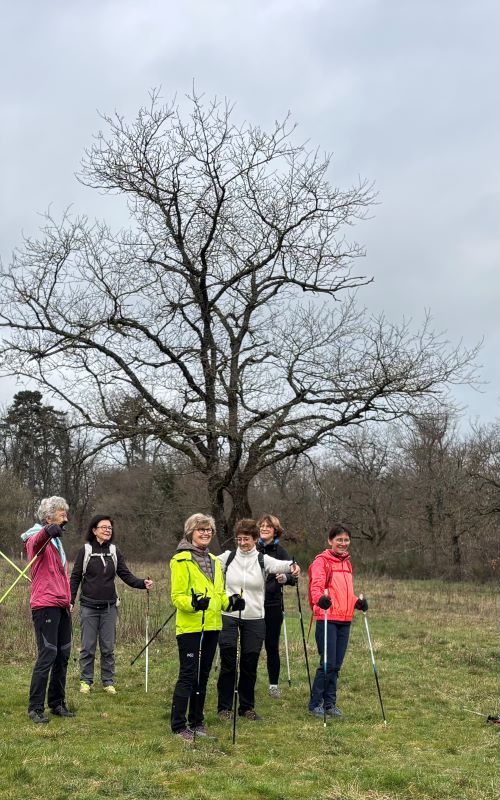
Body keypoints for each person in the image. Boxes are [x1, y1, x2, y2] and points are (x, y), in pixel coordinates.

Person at [217, 518, 300, 721]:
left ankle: (246, 707)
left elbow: (284, 565)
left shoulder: (263, 560)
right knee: (228, 662)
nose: (242, 543)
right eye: (239, 539)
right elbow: (205, 563)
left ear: (255, 539)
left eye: (246, 539)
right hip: (228, 615)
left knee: (249, 663)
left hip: (255, 618)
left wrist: (293, 567)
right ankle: (224, 708)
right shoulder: (227, 558)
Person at [169, 513, 243, 742]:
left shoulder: (213, 560)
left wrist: (231, 601)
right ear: (191, 532)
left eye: (208, 530)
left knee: (203, 675)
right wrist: (193, 604)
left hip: (212, 625)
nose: (205, 533)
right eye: (201, 530)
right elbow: (177, 597)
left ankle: (197, 721)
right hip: (191, 627)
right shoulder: (180, 560)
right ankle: (179, 725)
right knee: (188, 675)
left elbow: (218, 595)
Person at [70, 514, 153, 694]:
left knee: (108, 648)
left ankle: (108, 682)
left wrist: (142, 583)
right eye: (103, 527)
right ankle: (86, 681)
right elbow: (75, 577)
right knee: (88, 647)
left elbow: (125, 575)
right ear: (94, 530)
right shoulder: (85, 550)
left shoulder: (115, 551)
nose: (107, 530)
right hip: (88, 607)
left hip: (109, 608)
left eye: (109, 528)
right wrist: (70, 600)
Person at [21, 496, 74, 724]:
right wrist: (48, 530)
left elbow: (60, 575)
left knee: (63, 654)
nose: (66, 519)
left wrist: (69, 600)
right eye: (62, 515)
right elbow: (35, 544)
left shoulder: (57, 543)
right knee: (48, 653)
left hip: (62, 605)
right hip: (45, 605)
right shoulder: (36, 536)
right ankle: (35, 708)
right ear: (49, 516)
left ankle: (57, 703)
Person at [308, 522, 368, 718]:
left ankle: (330, 704)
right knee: (327, 663)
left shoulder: (346, 563)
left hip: (345, 619)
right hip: (327, 617)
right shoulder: (321, 561)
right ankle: (315, 703)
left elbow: (345, 593)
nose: (343, 543)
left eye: (346, 540)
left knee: (336, 665)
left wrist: (357, 602)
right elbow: (316, 588)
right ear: (330, 541)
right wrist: (320, 600)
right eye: (339, 539)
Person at [256, 513, 297, 698]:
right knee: (251, 646)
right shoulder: (250, 548)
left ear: (275, 531)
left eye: (268, 527)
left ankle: (273, 685)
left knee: (271, 646)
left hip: (272, 605)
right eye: (262, 526)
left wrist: (285, 578)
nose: (264, 529)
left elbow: (293, 576)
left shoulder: (281, 552)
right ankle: (248, 682)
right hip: (252, 605)